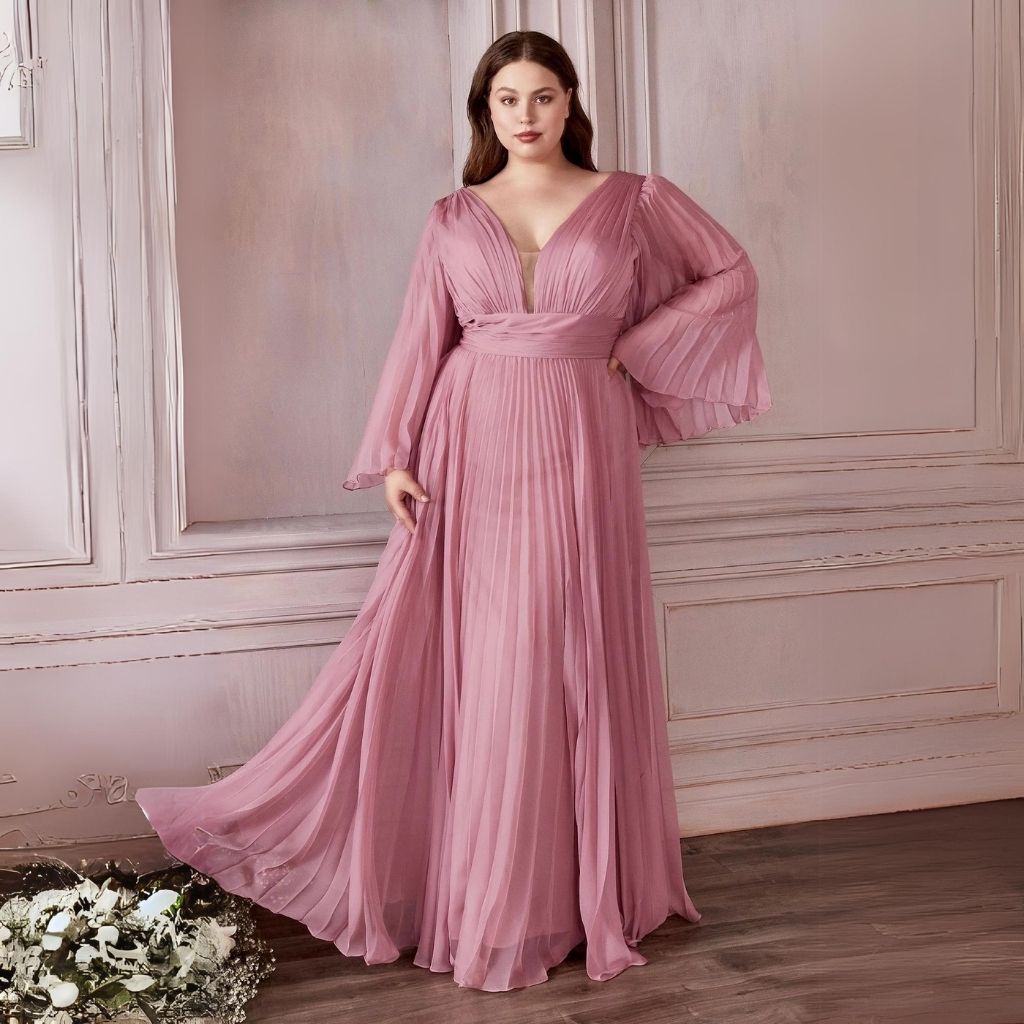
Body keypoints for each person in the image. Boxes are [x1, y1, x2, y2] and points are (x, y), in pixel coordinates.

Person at [136, 30, 772, 993]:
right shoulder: (451, 216)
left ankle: (574, 886)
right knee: (487, 646)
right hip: (469, 440)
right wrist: (394, 452)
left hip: (582, 436)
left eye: (544, 96)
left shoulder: (637, 201)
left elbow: (729, 273)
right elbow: (420, 340)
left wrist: (636, 343)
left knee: (570, 639)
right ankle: (489, 889)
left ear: (571, 104)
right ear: (486, 112)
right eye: (507, 99)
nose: (526, 115)